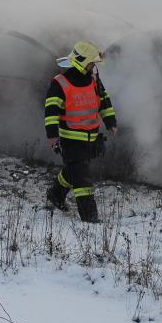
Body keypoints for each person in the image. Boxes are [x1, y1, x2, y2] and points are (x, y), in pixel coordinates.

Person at [43, 41, 117, 223]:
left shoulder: (93, 80)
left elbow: (104, 100)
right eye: (92, 63)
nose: (94, 67)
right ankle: (90, 218)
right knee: (83, 180)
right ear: (82, 63)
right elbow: (51, 111)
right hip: (71, 140)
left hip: (91, 137)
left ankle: (55, 195)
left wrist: (110, 122)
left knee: (73, 170)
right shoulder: (60, 84)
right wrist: (52, 136)